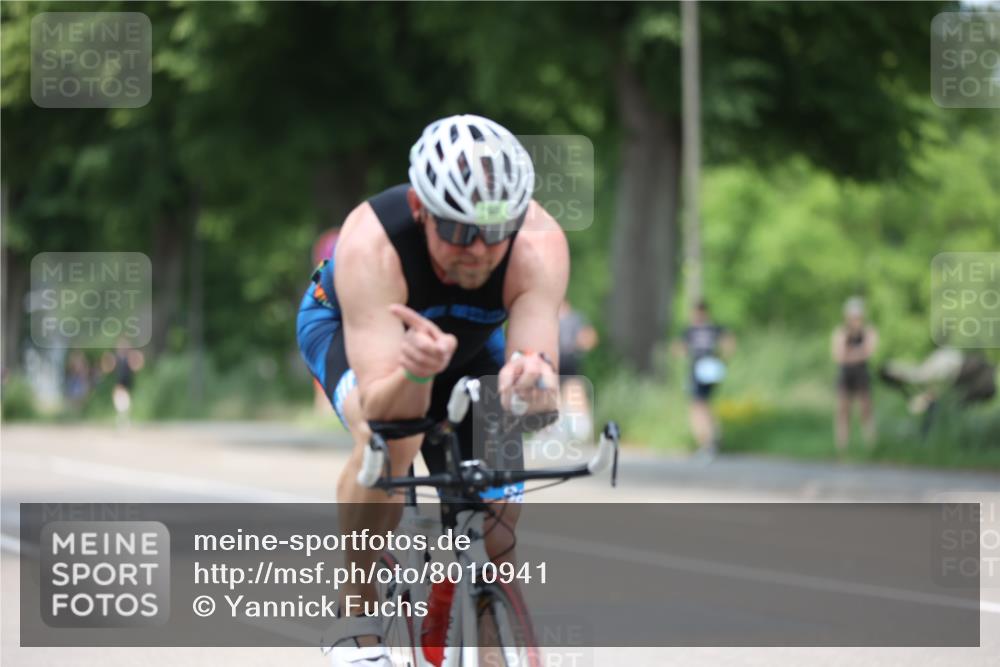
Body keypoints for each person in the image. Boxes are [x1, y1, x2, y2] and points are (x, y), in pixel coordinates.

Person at [296, 114, 568, 666]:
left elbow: (534, 361)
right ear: (421, 210)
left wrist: (533, 385)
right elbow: (380, 403)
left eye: (495, 232)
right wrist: (416, 373)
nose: (479, 250)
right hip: (356, 332)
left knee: (497, 524)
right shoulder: (370, 241)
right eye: (460, 232)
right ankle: (357, 615)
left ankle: (492, 642)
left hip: (467, 346)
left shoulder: (538, 245)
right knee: (390, 443)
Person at [677, 300, 734, 461]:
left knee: (697, 408)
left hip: (698, 371)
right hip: (711, 370)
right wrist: (722, 360)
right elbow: (729, 342)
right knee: (705, 405)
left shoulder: (692, 330)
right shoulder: (714, 328)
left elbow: (680, 348)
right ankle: (712, 438)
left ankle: (706, 443)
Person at [831, 296, 878, 455]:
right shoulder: (841, 332)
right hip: (845, 375)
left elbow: (868, 352)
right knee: (843, 411)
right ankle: (842, 447)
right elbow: (838, 355)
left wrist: (851, 354)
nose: (855, 320)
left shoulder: (868, 331)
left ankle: (871, 445)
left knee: (866, 410)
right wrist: (857, 353)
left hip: (862, 374)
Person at [557, 299, 599, 441]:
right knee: (554, 397)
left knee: (575, 394)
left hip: (570, 363)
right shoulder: (548, 317)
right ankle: (555, 431)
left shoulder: (575, 318)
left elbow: (590, 336)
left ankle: (583, 431)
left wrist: (581, 342)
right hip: (553, 364)